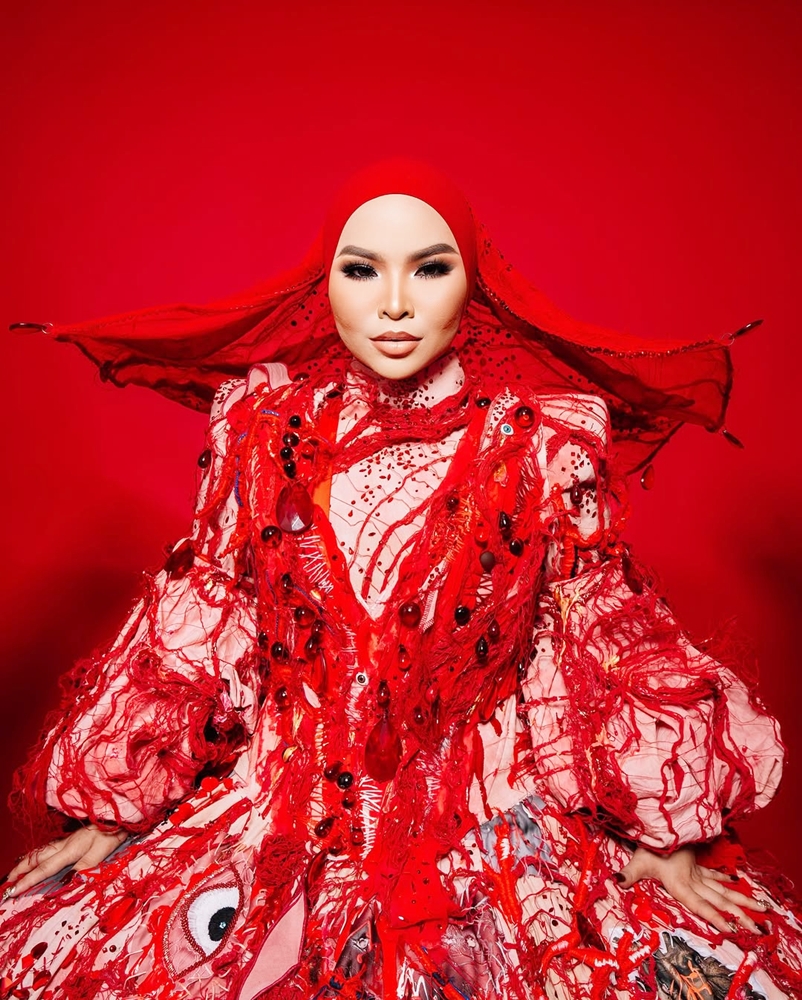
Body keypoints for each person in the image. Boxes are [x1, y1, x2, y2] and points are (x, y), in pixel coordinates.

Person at [1, 160, 800, 1000]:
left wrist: (669, 832)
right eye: (361, 270)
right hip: (273, 827)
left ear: (472, 284)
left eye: (429, 268)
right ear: (325, 285)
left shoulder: (543, 448)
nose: (393, 304)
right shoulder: (261, 432)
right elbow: (207, 620)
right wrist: (115, 805)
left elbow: (596, 638)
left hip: (492, 844)